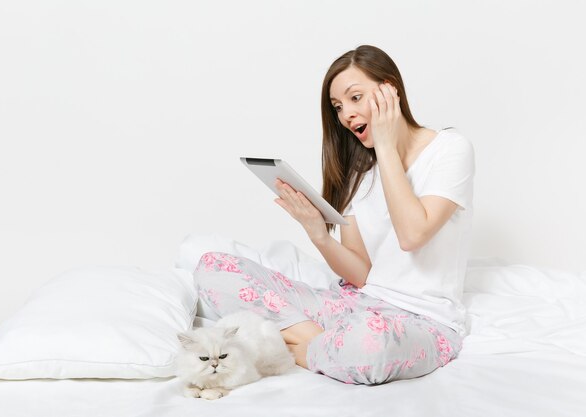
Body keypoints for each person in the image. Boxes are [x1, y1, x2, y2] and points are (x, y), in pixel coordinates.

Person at [193, 45, 475, 385]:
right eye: (338, 107)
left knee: (370, 342)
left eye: (355, 98)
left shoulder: (449, 148)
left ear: (390, 90)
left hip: (422, 321)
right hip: (354, 304)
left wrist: (386, 145)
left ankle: (299, 348)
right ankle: (324, 346)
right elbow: (361, 275)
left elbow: (412, 235)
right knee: (213, 268)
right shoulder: (361, 171)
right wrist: (319, 235)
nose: (346, 116)